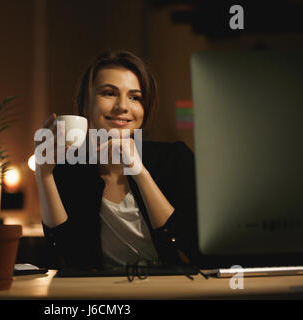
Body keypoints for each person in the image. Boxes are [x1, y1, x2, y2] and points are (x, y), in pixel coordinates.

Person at [34, 50, 199, 269]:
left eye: (135, 97)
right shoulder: (69, 169)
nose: (122, 106)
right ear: (86, 104)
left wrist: (140, 173)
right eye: (109, 93)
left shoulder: (175, 159)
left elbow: (189, 249)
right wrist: (44, 174)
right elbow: (65, 255)